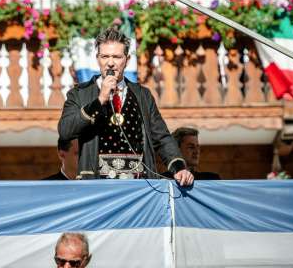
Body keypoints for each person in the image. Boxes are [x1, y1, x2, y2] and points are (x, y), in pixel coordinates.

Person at [58, 27, 193, 184]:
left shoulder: (143, 95)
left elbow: (161, 137)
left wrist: (179, 167)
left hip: (140, 185)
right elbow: (65, 131)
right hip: (97, 184)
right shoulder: (79, 93)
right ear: (97, 58)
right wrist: (99, 101)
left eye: (116, 57)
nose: (110, 63)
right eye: (105, 56)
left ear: (127, 60)